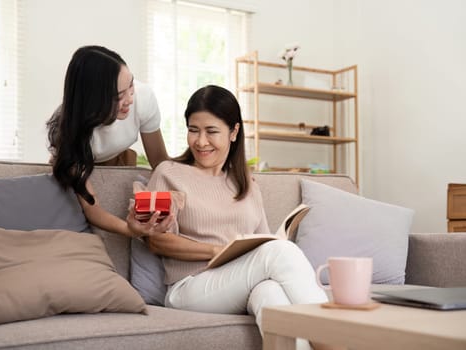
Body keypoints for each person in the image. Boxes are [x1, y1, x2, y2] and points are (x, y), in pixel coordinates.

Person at [144, 85, 336, 350]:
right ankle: (337, 342)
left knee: (270, 294)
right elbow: (156, 242)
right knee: (280, 253)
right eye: (193, 130)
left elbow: (265, 241)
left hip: (237, 285)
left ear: (233, 132)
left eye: (211, 131)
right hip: (189, 288)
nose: (201, 141)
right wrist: (218, 250)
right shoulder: (169, 173)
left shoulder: (247, 185)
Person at [46, 45, 171, 237]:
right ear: (93, 101)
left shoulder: (143, 97)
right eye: (119, 96)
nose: (130, 99)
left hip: (119, 156)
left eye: (130, 85)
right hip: (80, 164)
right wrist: (132, 230)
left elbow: (160, 162)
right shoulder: (68, 132)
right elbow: (92, 209)